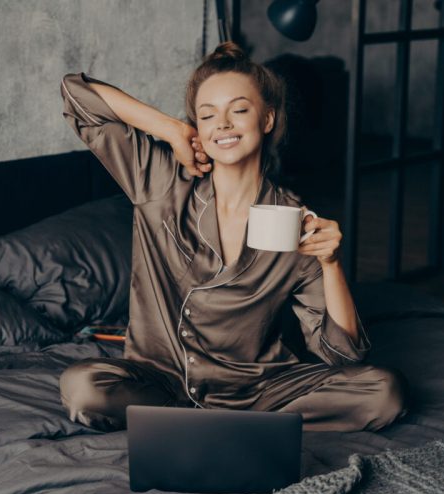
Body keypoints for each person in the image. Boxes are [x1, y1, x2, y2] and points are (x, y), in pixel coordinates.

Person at [59, 42, 407, 433]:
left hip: (259, 389)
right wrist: (172, 129)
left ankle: (219, 425)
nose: (222, 124)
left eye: (239, 110)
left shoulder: (296, 221)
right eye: (208, 116)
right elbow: (77, 93)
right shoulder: (161, 181)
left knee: (384, 393)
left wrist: (331, 264)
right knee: (84, 388)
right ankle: (226, 426)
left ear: (268, 120)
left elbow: (342, 356)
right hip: (162, 381)